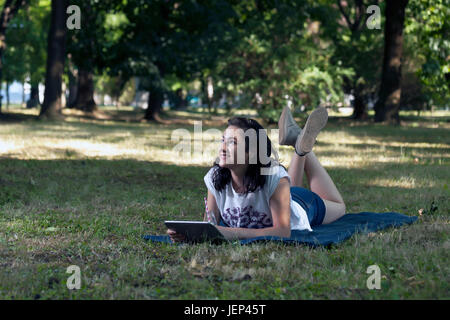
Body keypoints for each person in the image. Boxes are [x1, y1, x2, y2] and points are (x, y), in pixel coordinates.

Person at [167, 106, 346, 242]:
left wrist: (230, 233)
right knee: (286, 187)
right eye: (223, 140)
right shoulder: (215, 177)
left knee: (340, 207)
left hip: (304, 205)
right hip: (281, 198)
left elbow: (283, 232)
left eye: (232, 143)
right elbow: (210, 225)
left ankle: (302, 148)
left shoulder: (275, 177)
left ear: (252, 152)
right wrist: (190, 234)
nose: (222, 148)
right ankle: (298, 141)